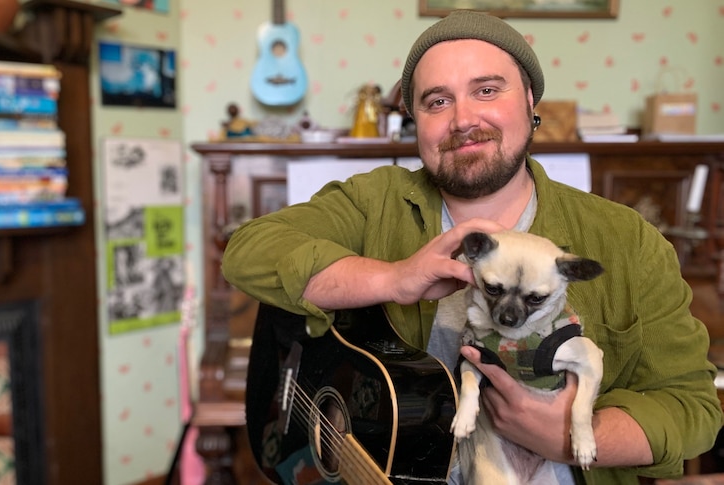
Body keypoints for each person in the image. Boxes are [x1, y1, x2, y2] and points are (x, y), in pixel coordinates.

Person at [222, 9, 723, 484]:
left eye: (486, 90)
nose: (463, 119)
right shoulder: (371, 202)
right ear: (414, 120)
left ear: (530, 101)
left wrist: (566, 437)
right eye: (437, 101)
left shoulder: (626, 239)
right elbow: (248, 250)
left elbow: (693, 408)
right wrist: (392, 278)